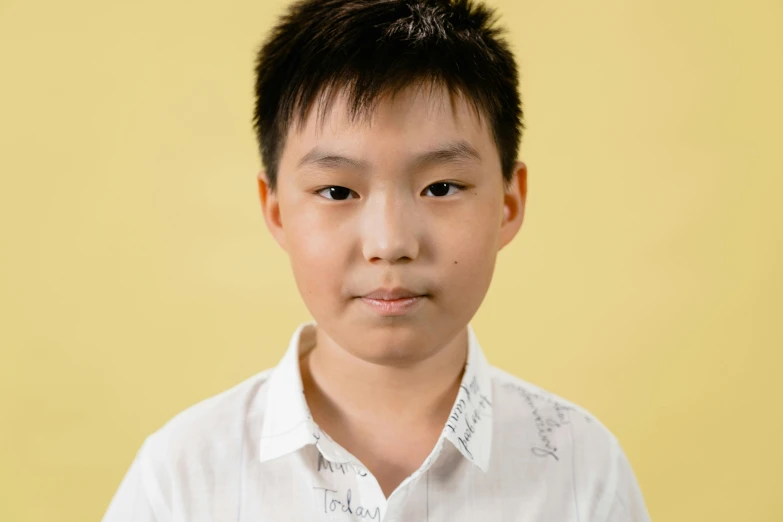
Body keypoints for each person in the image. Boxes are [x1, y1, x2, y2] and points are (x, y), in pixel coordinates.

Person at [103, 0, 652, 520]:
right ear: (275, 211)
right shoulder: (181, 476)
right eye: (338, 192)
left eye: (441, 187)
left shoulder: (584, 470)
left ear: (508, 204)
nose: (389, 243)